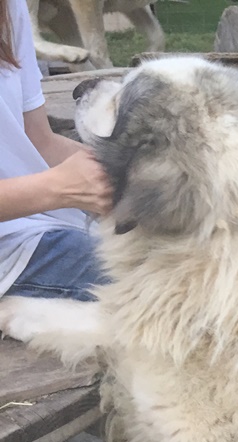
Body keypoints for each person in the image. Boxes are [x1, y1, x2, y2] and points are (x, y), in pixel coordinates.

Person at [0, 0, 111, 307]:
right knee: (170, 287)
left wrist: (122, 170)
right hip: (12, 253)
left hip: (42, 224)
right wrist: (59, 188)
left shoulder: (9, 7)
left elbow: (39, 139)